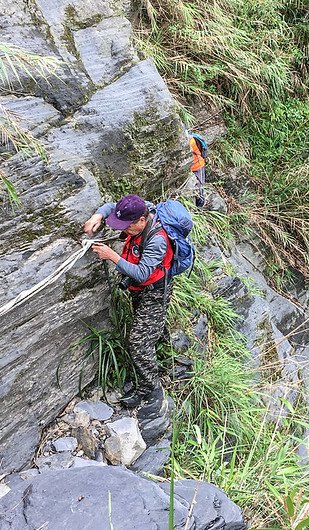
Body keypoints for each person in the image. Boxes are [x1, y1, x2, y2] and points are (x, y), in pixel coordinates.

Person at [83, 194, 172, 411]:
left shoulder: (157, 239)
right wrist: (98, 215)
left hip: (154, 292)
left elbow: (142, 273)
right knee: (152, 328)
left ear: (142, 221)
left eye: (126, 226)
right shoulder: (138, 209)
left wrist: (112, 255)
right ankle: (167, 361)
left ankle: (151, 389)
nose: (121, 229)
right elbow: (112, 206)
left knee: (138, 343)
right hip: (139, 290)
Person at [188, 131, 206, 208]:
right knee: (199, 184)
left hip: (198, 165)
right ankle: (199, 203)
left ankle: (200, 203)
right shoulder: (191, 139)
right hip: (193, 166)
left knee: (200, 185)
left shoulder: (191, 141)